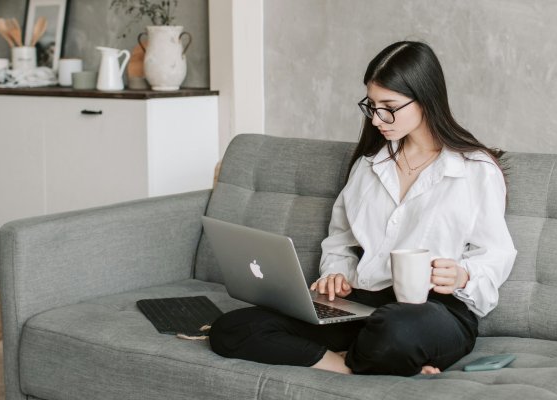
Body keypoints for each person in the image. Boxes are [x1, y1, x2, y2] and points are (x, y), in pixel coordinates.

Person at [209, 41, 517, 377]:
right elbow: (341, 240)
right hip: (362, 304)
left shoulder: (474, 169)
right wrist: (335, 275)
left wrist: (463, 275)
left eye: (389, 106)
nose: (376, 120)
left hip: (433, 310)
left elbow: (495, 254)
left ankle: (375, 354)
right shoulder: (370, 166)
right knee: (232, 327)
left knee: (395, 329)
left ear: (426, 98)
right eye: (371, 106)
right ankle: (346, 364)